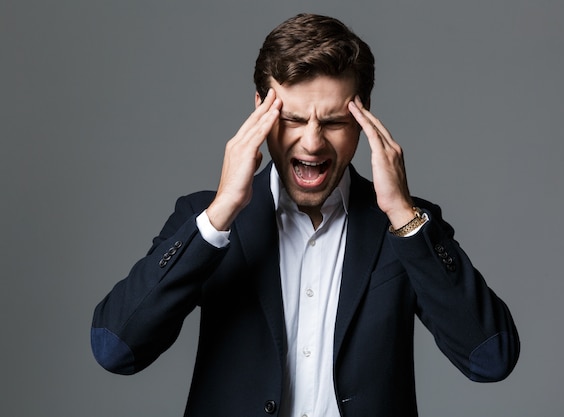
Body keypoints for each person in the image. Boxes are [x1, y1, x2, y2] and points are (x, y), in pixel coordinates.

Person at [91, 13, 520, 417]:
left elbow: (491, 358)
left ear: (363, 115)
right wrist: (221, 213)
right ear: (259, 109)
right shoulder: (204, 221)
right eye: (293, 119)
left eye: (332, 121)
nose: (311, 144)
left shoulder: (408, 227)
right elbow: (116, 349)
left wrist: (403, 215)